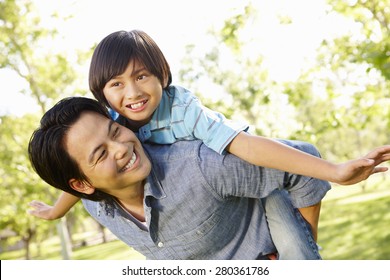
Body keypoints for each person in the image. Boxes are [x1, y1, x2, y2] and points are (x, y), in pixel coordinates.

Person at [28, 97, 390, 259]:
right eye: (101, 154)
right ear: (82, 185)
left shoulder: (199, 166)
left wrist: (300, 249)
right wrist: (55, 212)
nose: (121, 147)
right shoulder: (97, 206)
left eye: (115, 131)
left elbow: (304, 160)